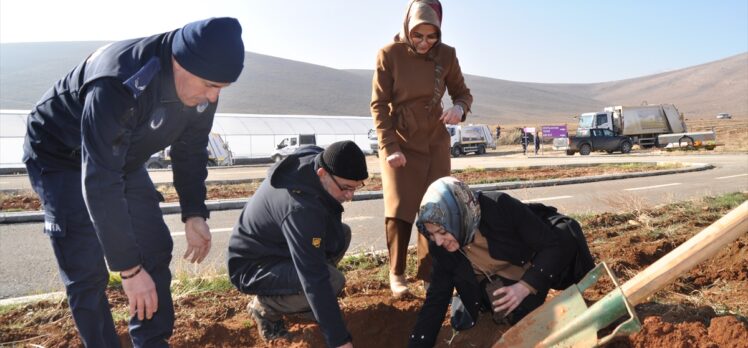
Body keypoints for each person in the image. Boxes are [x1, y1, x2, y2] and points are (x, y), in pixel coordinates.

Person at [22, 18, 244, 347]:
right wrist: (128, 270)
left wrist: (194, 212)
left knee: (154, 247)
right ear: (179, 62)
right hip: (60, 155)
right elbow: (100, 181)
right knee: (87, 269)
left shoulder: (202, 86)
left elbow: (190, 150)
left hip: (121, 155)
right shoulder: (119, 81)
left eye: (221, 90)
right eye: (210, 85)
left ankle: (152, 341)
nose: (212, 98)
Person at [408, 177, 594, 347]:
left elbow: (552, 245)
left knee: (565, 237)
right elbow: (437, 298)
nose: (439, 241)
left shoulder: (499, 207)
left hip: (534, 254)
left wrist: (525, 286)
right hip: (497, 274)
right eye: (432, 234)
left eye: (442, 232)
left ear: (461, 217)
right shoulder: (439, 247)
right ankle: (472, 300)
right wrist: (418, 344)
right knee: (516, 312)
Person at [371, 0, 473, 297]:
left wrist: (458, 108)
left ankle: (430, 274)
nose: (425, 42)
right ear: (407, 28)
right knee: (400, 208)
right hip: (399, 139)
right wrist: (390, 146)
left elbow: (463, 93)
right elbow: (378, 105)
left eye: (431, 36)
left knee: (435, 209)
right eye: (418, 35)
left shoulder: (447, 55)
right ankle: (397, 273)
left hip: (435, 140)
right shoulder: (389, 55)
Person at [227, 141, 368, 348]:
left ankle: (303, 301)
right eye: (346, 188)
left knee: (341, 235)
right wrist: (339, 341)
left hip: (278, 247)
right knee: (330, 281)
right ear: (322, 173)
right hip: (253, 266)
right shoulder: (300, 209)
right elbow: (315, 277)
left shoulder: (315, 160)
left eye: (356, 188)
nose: (350, 196)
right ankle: (265, 308)